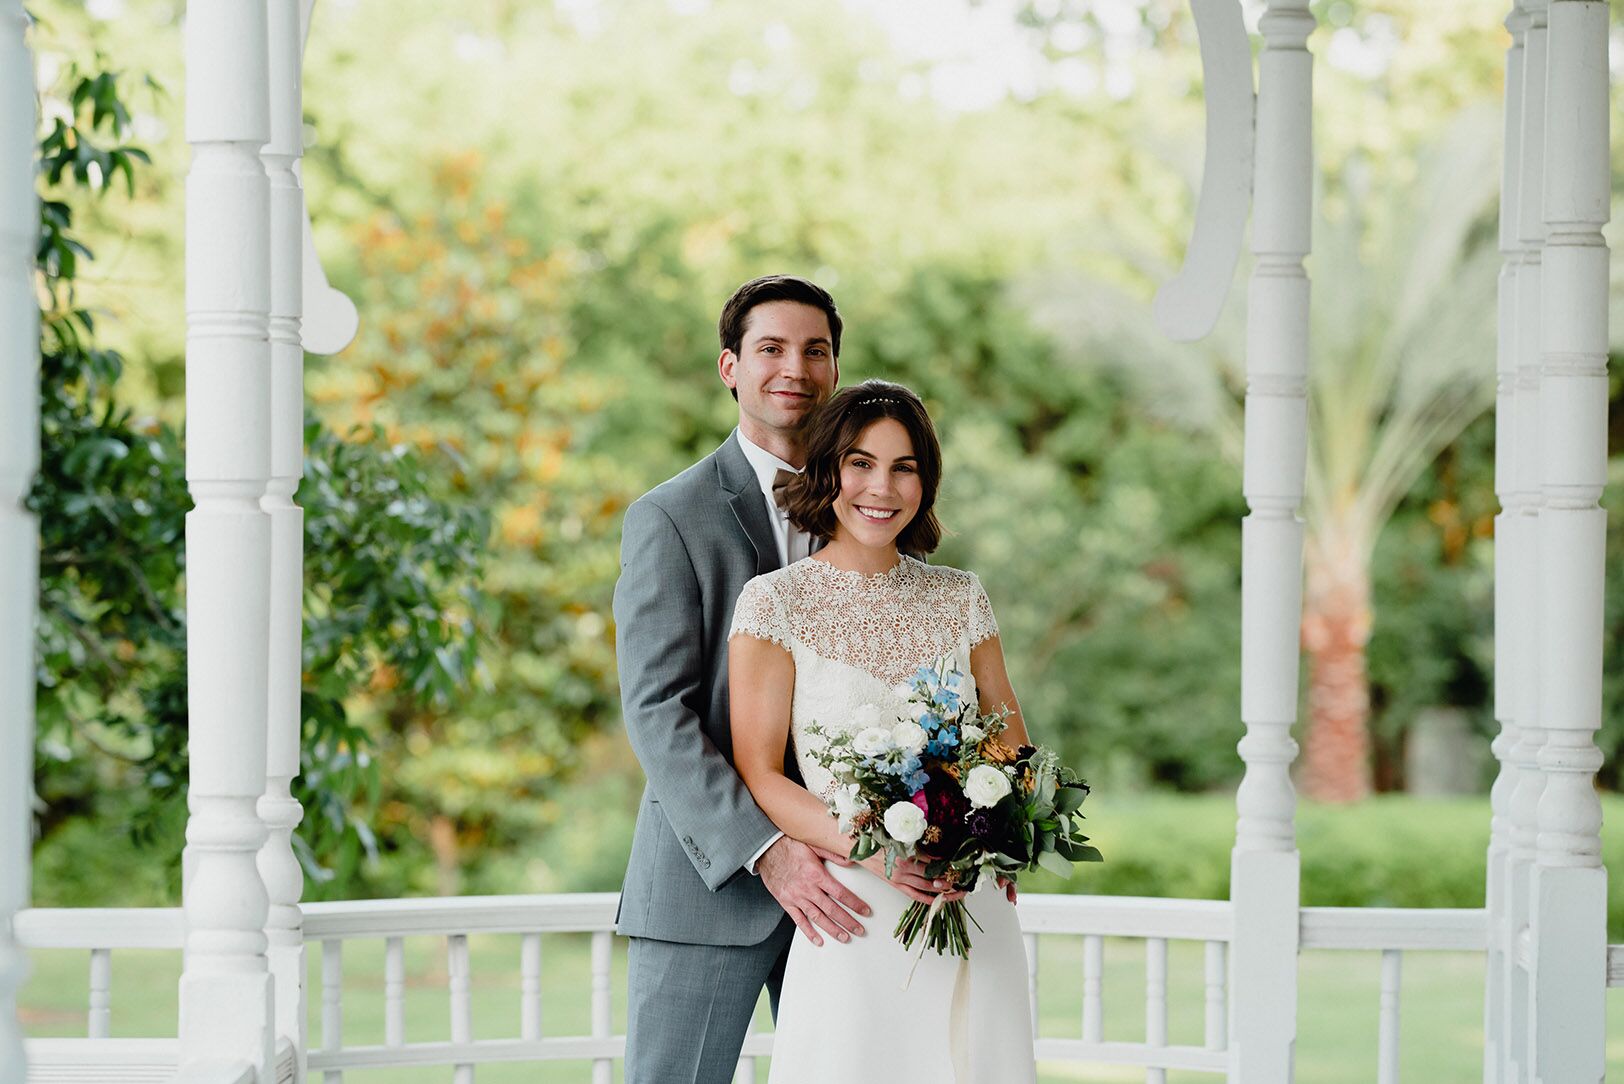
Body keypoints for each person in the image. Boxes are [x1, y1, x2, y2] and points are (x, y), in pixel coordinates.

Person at [613, 278, 948, 1083]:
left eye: (816, 350)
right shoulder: (670, 517)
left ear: (836, 371)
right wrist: (767, 850)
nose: (795, 367)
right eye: (771, 348)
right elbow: (659, 711)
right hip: (715, 886)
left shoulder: (878, 511)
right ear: (731, 366)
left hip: (864, 891)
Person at [728, 379, 1039, 1083]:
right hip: (853, 906)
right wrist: (870, 852)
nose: (882, 487)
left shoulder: (961, 597)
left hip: (969, 898)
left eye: (905, 467)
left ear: (926, 482)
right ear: (828, 469)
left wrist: (993, 840)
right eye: (861, 462)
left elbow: (1010, 749)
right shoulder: (773, 603)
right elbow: (762, 773)